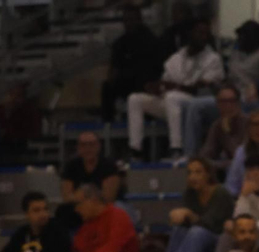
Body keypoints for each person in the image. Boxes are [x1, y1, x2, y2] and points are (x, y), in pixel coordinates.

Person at [128, 19, 224, 160]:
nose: (204, 37)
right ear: (190, 34)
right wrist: (156, 87)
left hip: (195, 103)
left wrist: (173, 87)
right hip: (172, 104)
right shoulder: (176, 57)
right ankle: (135, 150)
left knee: (173, 96)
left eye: (206, 34)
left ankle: (176, 148)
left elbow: (200, 89)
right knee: (135, 99)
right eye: (200, 33)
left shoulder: (213, 59)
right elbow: (165, 82)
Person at [162, 158, 235, 252]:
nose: (193, 177)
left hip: (217, 243)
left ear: (208, 174)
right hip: (193, 243)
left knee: (197, 232)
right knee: (179, 230)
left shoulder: (220, 193)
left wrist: (189, 214)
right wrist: (177, 216)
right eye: (190, 173)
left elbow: (210, 224)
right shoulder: (190, 193)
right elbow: (184, 222)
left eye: (198, 172)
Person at [101, 4, 165, 119]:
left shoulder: (151, 40)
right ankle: (107, 123)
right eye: (126, 20)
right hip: (126, 82)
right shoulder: (120, 43)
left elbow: (158, 68)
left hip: (146, 82)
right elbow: (113, 70)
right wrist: (111, 79)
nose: (129, 23)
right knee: (107, 87)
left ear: (139, 20)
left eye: (132, 19)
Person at [193, 86, 249, 166]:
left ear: (238, 103)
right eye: (223, 102)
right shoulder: (217, 125)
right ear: (217, 104)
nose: (227, 105)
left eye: (231, 101)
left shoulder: (249, 123)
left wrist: (227, 132)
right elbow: (206, 154)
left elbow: (240, 158)